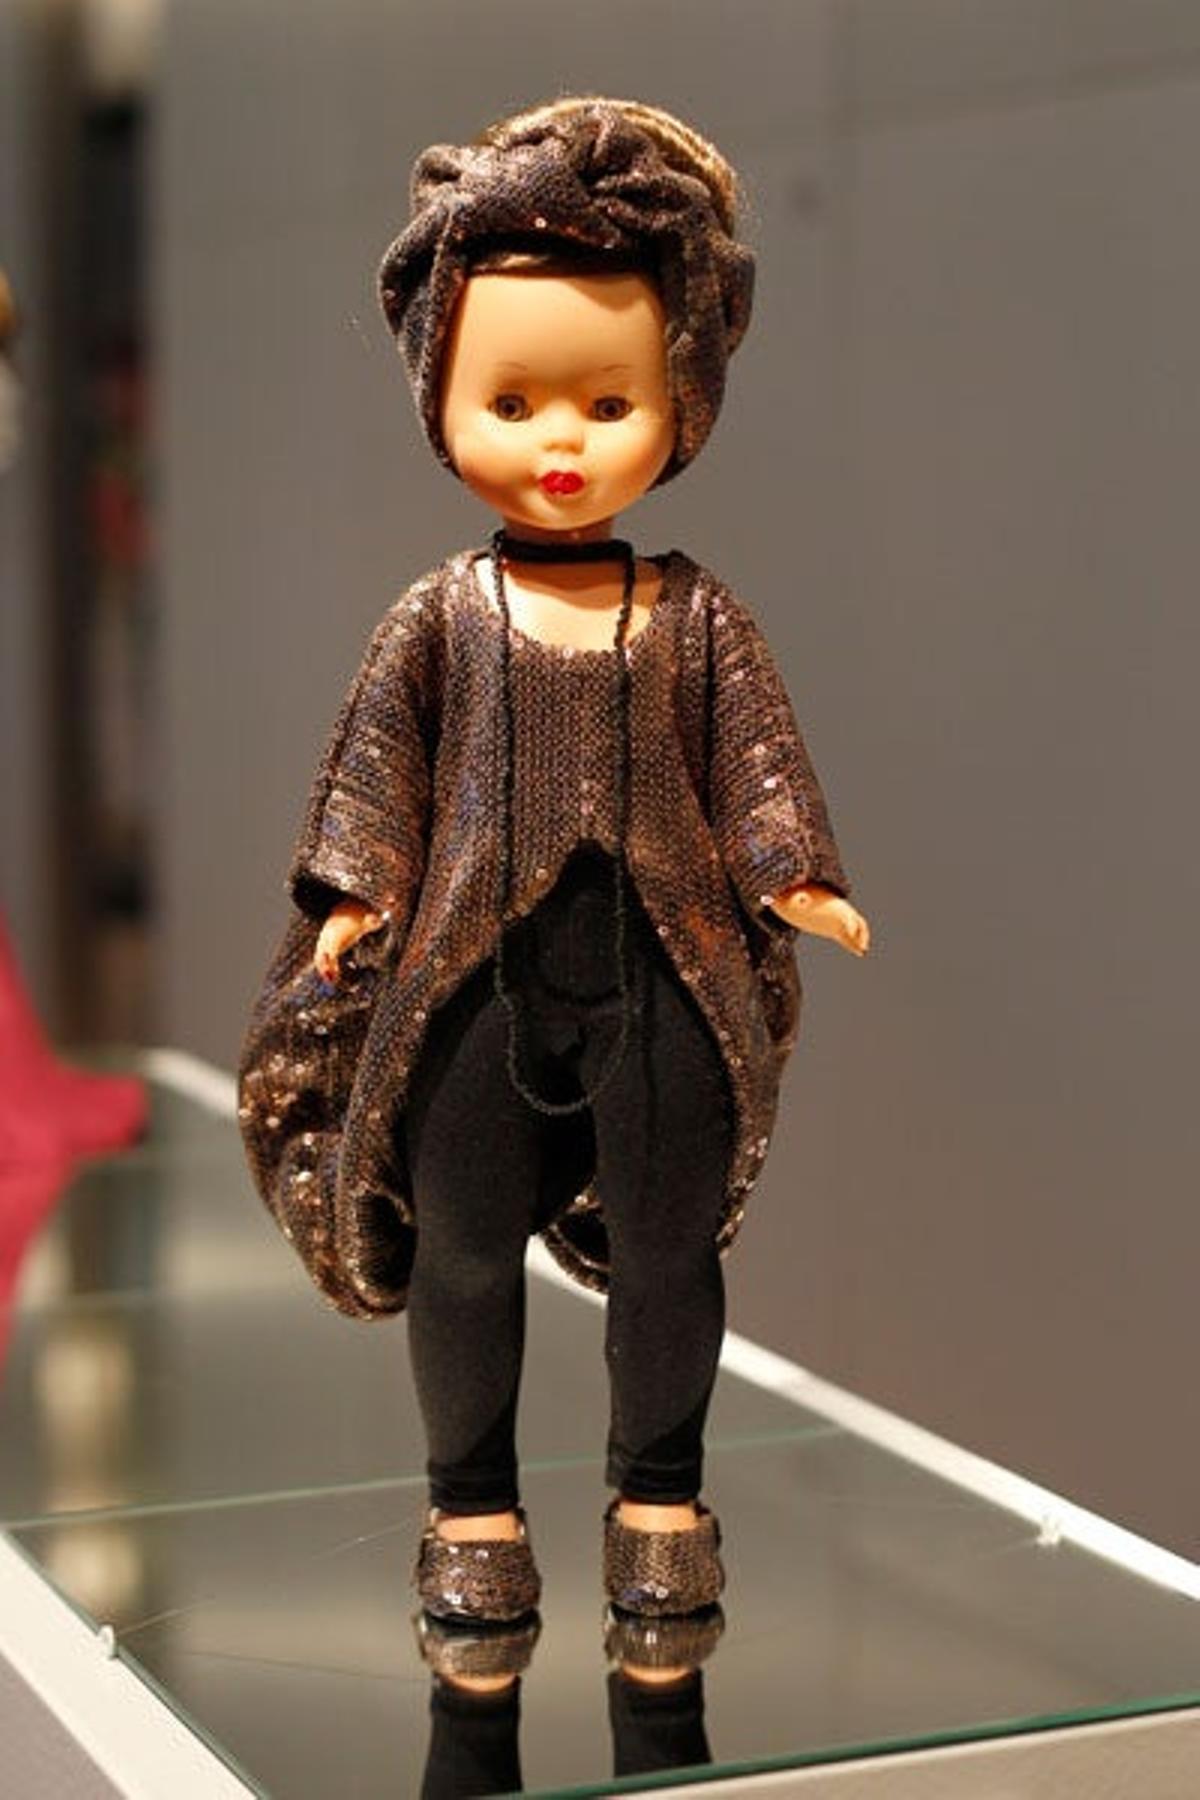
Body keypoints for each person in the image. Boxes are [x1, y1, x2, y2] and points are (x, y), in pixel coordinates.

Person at [238, 96, 871, 1640]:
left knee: (669, 1251)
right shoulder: (439, 619)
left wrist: (788, 871)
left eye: (607, 400)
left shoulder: (696, 616)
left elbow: (756, 767)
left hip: (664, 980)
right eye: (513, 401)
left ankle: (662, 1503)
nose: (564, 443)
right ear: (442, 395)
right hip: (472, 983)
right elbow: (378, 777)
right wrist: (354, 898)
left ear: (680, 399)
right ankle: (472, 1512)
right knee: (463, 1254)